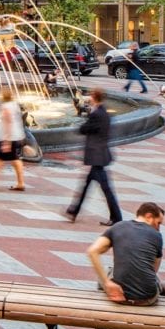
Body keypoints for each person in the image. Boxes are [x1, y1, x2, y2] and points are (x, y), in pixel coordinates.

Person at [87, 201, 164, 307]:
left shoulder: (117, 227)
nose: (158, 228)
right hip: (146, 299)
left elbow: (92, 251)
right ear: (149, 216)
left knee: (106, 273)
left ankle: (105, 309)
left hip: (120, 296)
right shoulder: (157, 235)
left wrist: (107, 282)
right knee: (157, 280)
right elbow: (154, 269)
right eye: (158, 223)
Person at [65, 88, 122, 226]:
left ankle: (117, 218)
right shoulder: (104, 112)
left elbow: (84, 129)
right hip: (100, 154)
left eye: (90, 95)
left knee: (106, 189)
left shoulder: (97, 114)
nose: (88, 97)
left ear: (94, 97)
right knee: (87, 185)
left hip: (97, 155)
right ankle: (74, 210)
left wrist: (85, 120)